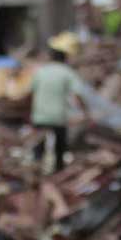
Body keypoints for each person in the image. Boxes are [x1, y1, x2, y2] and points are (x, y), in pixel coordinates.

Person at [29, 42, 83, 172]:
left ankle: (37, 169)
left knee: (39, 145)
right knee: (60, 147)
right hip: (58, 116)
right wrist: (83, 110)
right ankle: (58, 170)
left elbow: (31, 91)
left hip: (40, 115)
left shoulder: (41, 71)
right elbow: (77, 94)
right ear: (65, 58)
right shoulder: (67, 72)